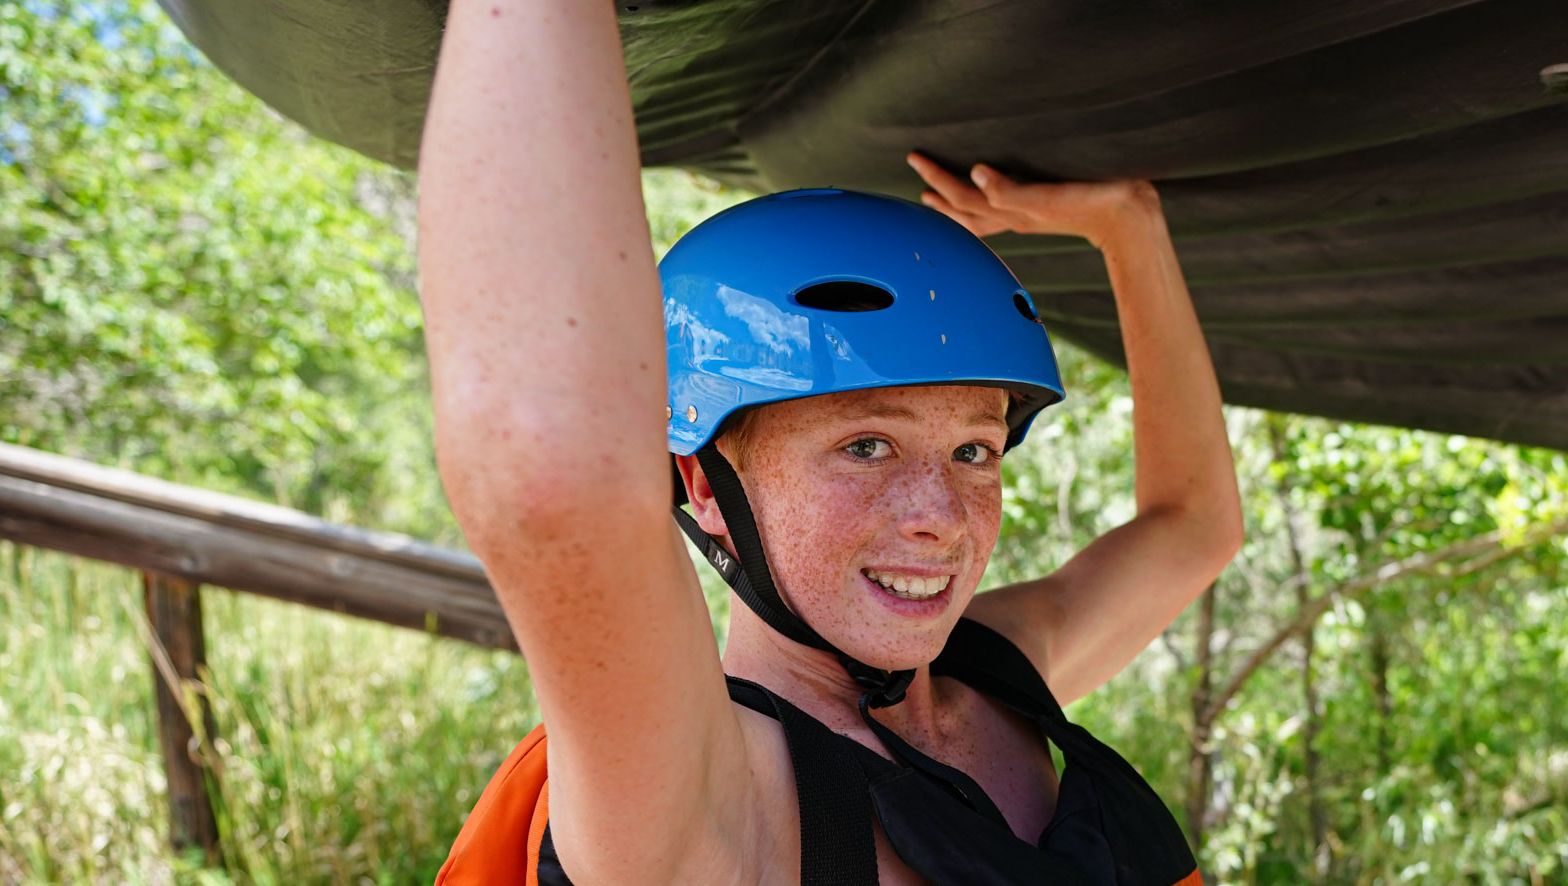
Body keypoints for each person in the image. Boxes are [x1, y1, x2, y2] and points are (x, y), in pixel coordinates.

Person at [413, 2, 1242, 883]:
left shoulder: (999, 672)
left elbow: (1194, 526)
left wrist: (1130, 227)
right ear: (700, 485)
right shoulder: (705, 803)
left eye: (974, 450)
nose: (940, 519)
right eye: (866, 446)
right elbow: (549, 471)